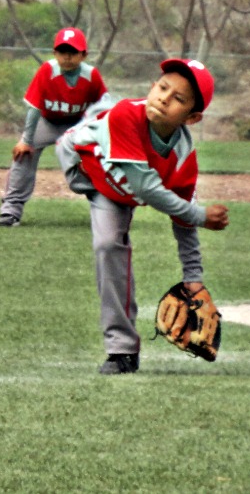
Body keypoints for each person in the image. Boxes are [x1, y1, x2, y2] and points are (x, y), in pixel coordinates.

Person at [56, 58, 230, 374]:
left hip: (123, 188)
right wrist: (203, 215)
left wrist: (193, 278)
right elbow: (147, 189)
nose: (164, 98)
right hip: (84, 164)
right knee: (118, 213)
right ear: (152, 87)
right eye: (162, 87)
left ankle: (121, 352)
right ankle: (93, 114)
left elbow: (183, 221)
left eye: (178, 98)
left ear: (192, 118)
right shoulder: (127, 114)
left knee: (109, 244)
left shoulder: (182, 158)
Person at [0, 27, 109, 227]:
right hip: (47, 123)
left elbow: (104, 110)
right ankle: (11, 210)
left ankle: (105, 211)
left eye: (73, 52)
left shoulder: (91, 76)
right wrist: (26, 141)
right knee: (24, 154)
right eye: (62, 51)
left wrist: (100, 141)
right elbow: (34, 109)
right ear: (55, 53)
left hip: (77, 125)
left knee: (95, 160)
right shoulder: (47, 71)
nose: (67, 56)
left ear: (84, 55)